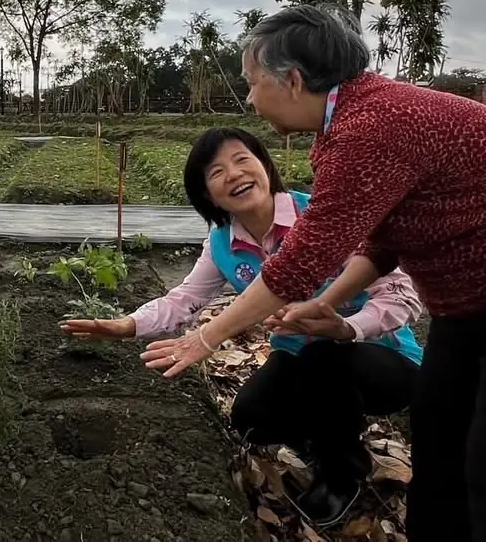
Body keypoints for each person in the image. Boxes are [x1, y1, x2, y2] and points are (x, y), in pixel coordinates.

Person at [140, 5, 486, 542]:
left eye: (251, 82)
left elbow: (302, 259)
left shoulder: (372, 128)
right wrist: (328, 302)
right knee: (441, 437)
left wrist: (206, 337)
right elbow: (383, 241)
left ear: (290, 81)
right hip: (477, 301)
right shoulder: (347, 127)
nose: (248, 98)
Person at [62, 127, 422, 527]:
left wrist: (347, 327)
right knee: (252, 418)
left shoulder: (323, 217)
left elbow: (402, 297)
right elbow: (183, 300)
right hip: (299, 359)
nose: (232, 174)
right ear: (207, 196)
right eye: (215, 172)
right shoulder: (221, 243)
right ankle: (329, 436)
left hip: (383, 359)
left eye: (241, 160)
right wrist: (128, 325)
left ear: (265, 166)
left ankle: (343, 474)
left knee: (326, 358)